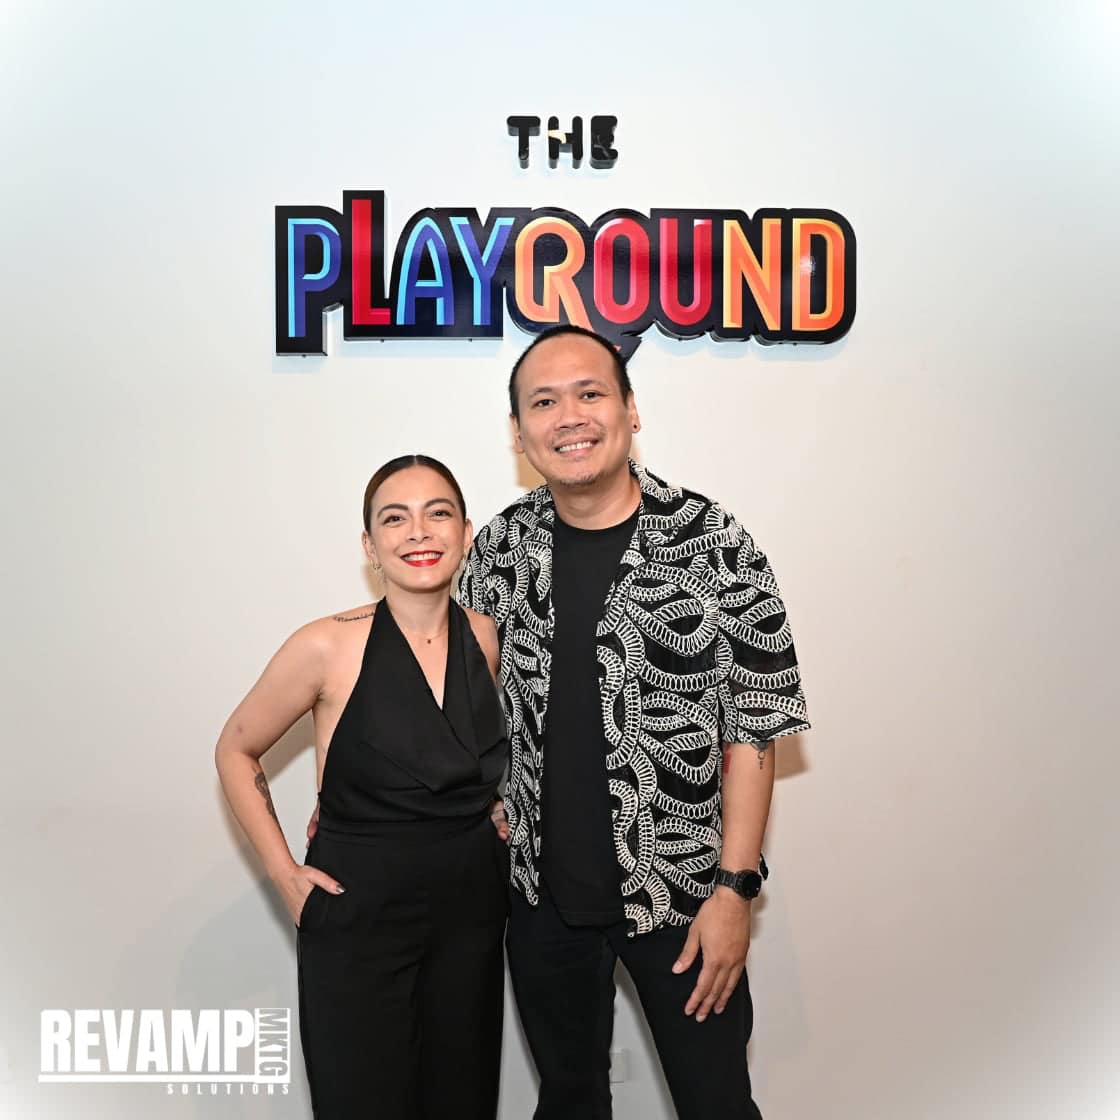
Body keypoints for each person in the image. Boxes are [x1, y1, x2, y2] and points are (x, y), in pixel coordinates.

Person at [458, 325, 810, 1120]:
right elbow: (457, 697)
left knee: (718, 1104)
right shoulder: (500, 548)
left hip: (683, 899)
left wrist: (734, 893)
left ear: (630, 409)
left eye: (590, 394)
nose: (569, 417)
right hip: (542, 901)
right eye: (544, 402)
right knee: (570, 1102)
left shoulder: (716, 542)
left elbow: (753, 731)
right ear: (519, 431)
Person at [215, 454, 510, 1120]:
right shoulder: (326, 644)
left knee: (461, 1100)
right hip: (358, 909)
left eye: (437, 513)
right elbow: (235, 748)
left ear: (465, 534)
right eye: (395, 519)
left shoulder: (486, 637)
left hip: (471, 906)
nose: (419, 532)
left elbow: (459, 751)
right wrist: (284, 874)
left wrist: (493, 805)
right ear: (370, 546)